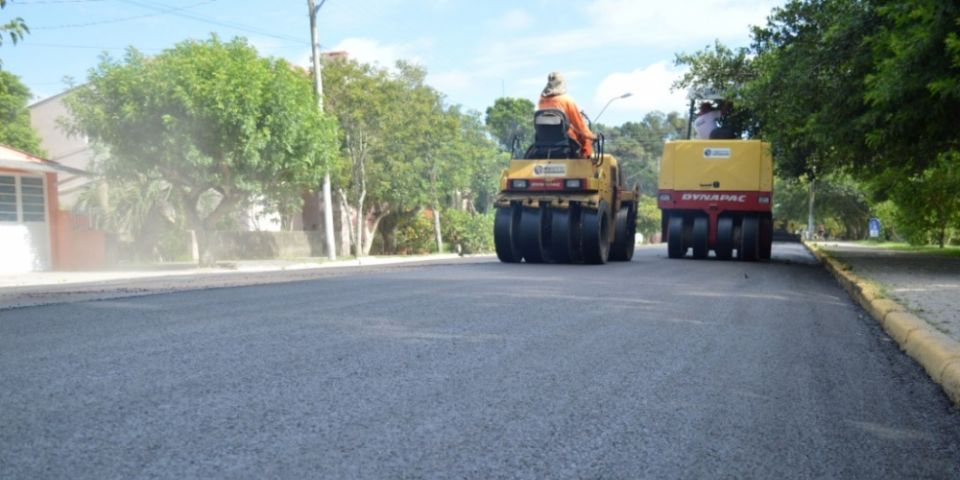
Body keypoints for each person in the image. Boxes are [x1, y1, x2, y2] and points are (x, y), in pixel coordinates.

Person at [537, 72, 596, 158]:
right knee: (585, 138)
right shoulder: (567, 100)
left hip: (543, 140)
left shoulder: (541, 101)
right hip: (566, 139)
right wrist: (592, 136)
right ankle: (585, 161)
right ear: (562, 83)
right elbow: (579, 125)